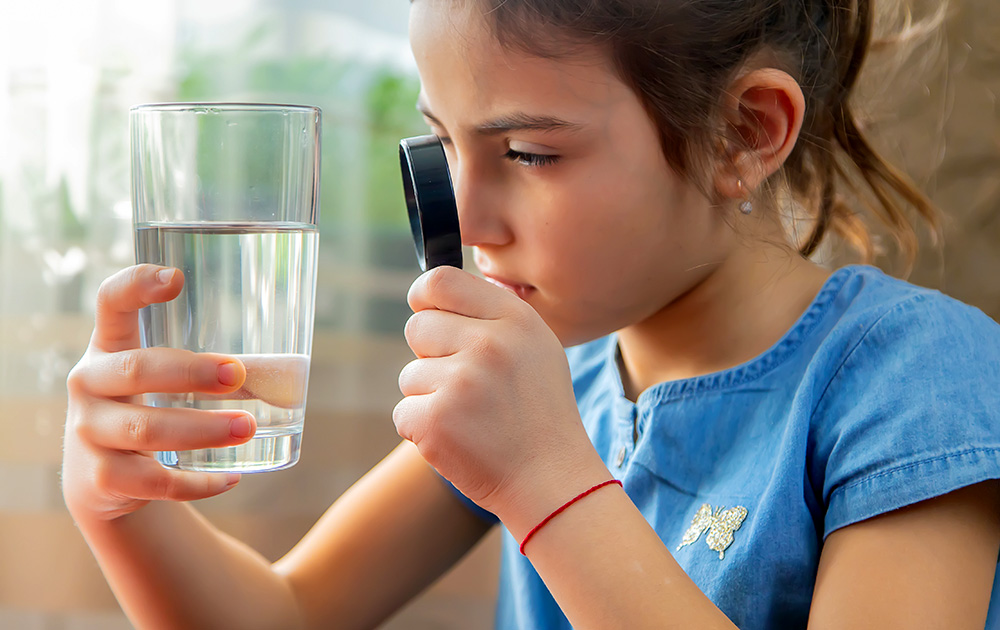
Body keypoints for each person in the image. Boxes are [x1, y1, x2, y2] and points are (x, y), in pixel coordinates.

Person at [62, 0, 1000, 628]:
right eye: (440, 144)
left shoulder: (917, 381)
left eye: (528, 154)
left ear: (745, 133)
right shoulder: (565, 382)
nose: (464, 219)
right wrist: (115, 504)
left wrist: (550, 483)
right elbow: (286, 613)